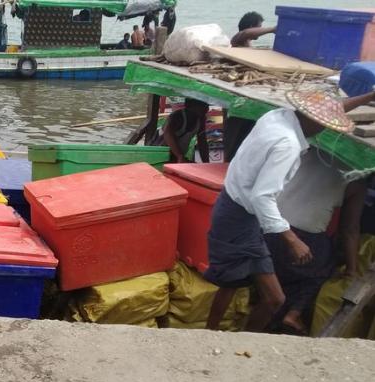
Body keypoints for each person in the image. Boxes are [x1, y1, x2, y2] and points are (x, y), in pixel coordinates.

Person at [205, 90, 375, 333]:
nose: (325, 131)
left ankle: (221, 334)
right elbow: (262, 197)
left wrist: (368, 96)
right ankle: (226, 336)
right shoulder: (288, 144)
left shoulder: (275, 116)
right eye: (325, 125)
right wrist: (292, 239)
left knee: (233, 282)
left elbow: (330, 108)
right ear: (314, 121)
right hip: (241, 217)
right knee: (272, 297)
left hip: (237, 209)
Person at [266, 151, 367, 335]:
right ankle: (294, 314)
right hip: (300, 239)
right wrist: (351, 270)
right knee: (324, 268)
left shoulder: (306, 151)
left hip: (268, 229)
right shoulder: (357, 179)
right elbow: (350, 230)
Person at [151, 98, 209, 163]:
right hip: (160, 154)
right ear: (192, 105)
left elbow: (202, 142)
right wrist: (180, 156)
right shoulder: (177, 116)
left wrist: (206, 163)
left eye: (207, 105)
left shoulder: (201, 119)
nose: (207, 108)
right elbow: (168, 134)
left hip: (177, 155)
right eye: (203, 105)